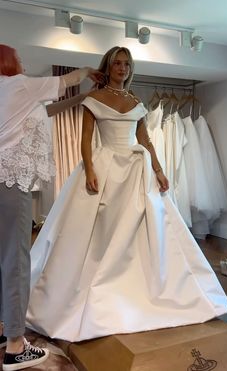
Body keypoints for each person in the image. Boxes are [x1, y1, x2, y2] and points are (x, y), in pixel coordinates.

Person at [26, 46, 227, 343]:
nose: (122, 68)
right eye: (116, 63)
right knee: (101, 232)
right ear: (107, 67)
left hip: (137, 169)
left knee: (151, 230)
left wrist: (160, 170)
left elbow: (145, 138)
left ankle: (148, 287)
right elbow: (86, 139)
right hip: (107, 167)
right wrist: (90, 169)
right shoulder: (94, 98)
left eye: (126, 63)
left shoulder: (136, 101)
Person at [0, 44, 103, 370]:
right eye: (19, 59)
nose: (24, 63)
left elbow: (49, 111)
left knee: (3, 259)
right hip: (10, 182)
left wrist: (84, 99)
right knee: (16, 259)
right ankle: (16, 345)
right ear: (9, 62)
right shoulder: (20, 85)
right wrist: (87, 71)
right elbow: (67, 80)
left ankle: (5, 328)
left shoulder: (11, 96)